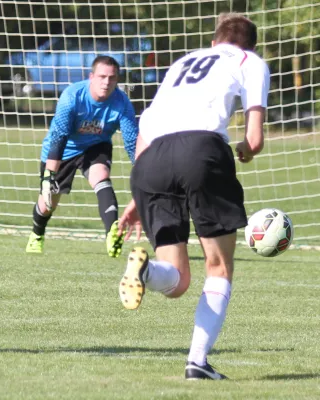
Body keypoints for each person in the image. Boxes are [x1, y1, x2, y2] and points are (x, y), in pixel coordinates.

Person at [117, 13, 270, 380]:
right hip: (201, 151)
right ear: (249, 45)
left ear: (215, 41)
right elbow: (254, 139)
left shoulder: (184, 61)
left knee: (178, 281)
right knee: (217, 267)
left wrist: (138, 195)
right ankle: (197, 363)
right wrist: (246, 151)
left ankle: (146, 270)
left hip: (150, 161)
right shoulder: (251, 62)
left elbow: (146, 129)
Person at [26, 55, 138, 257]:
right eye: (102, 76)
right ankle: (37, 234)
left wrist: (144, 175)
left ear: (117, 80)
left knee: (101, 177)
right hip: (63, 150)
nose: (106, 82)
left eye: (112, 78)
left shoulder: (123, 104)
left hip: (96, 146)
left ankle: (112, 233)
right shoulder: (72, 96)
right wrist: (48, 178)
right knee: (47, 204)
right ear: (91, 77)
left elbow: (131, 143)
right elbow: (59, 137)